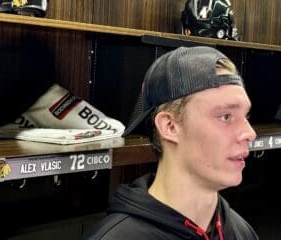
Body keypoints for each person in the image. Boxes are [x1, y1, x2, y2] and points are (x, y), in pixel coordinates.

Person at [83, 46, 258, 240]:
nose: (249, 133)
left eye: (246, 116)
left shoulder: (242, 232)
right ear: (170, 126)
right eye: (226, 116)